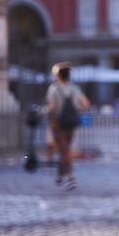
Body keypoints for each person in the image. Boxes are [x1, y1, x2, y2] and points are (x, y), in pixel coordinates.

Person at [45, 61, 90, 190]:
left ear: (58, 75)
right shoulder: (75, 89)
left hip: (58, 123)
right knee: (65, 149)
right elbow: (85, 104)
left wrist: (47, 112)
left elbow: (51, 107)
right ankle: (59, 178)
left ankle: (71, 177)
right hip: (71, 123)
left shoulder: (54, 89)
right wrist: (76, 111)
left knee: (64, 150)